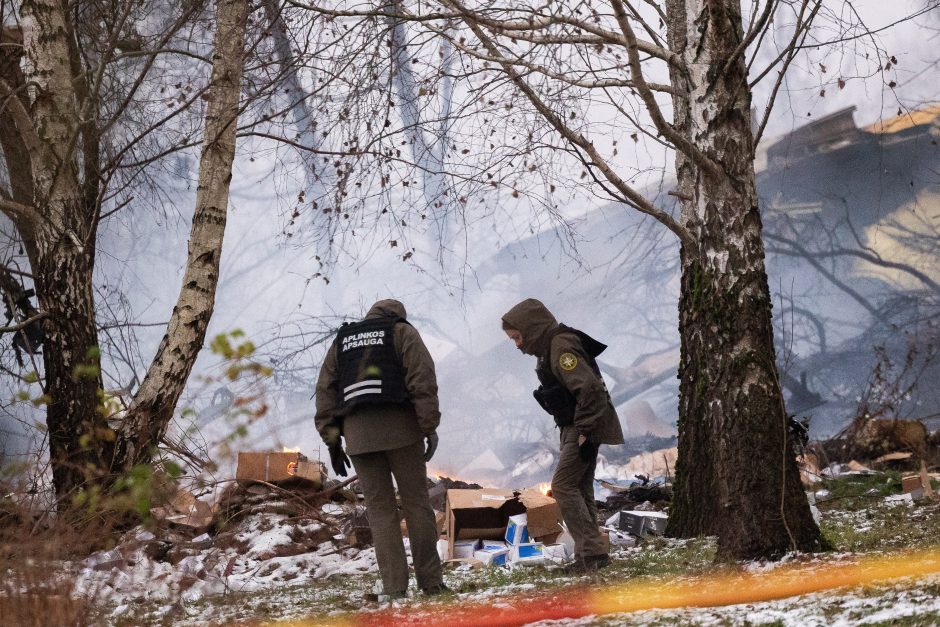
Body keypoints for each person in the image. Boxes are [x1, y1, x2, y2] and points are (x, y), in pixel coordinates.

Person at [315, 299, 445, 599]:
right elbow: (422, 379)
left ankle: (395, 588)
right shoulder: (402, 333)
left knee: (380, 510)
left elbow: (326, 391)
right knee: (416, 504)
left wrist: (332, 439)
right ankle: (431, 583)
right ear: (397, 316)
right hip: (402, 431)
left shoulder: (342, 342)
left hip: (359, 439)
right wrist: (429, 427)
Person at [501, 298, 624, 573]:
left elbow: (590, 389)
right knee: (579, 488)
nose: (518, 344)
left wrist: (584, 431)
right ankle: (592, 554)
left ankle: (591, 553)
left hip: (582, 426)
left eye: (518, 337)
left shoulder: (561, 346)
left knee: (563, 486)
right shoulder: (551, 349)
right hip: (576, 425)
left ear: (531, 329)